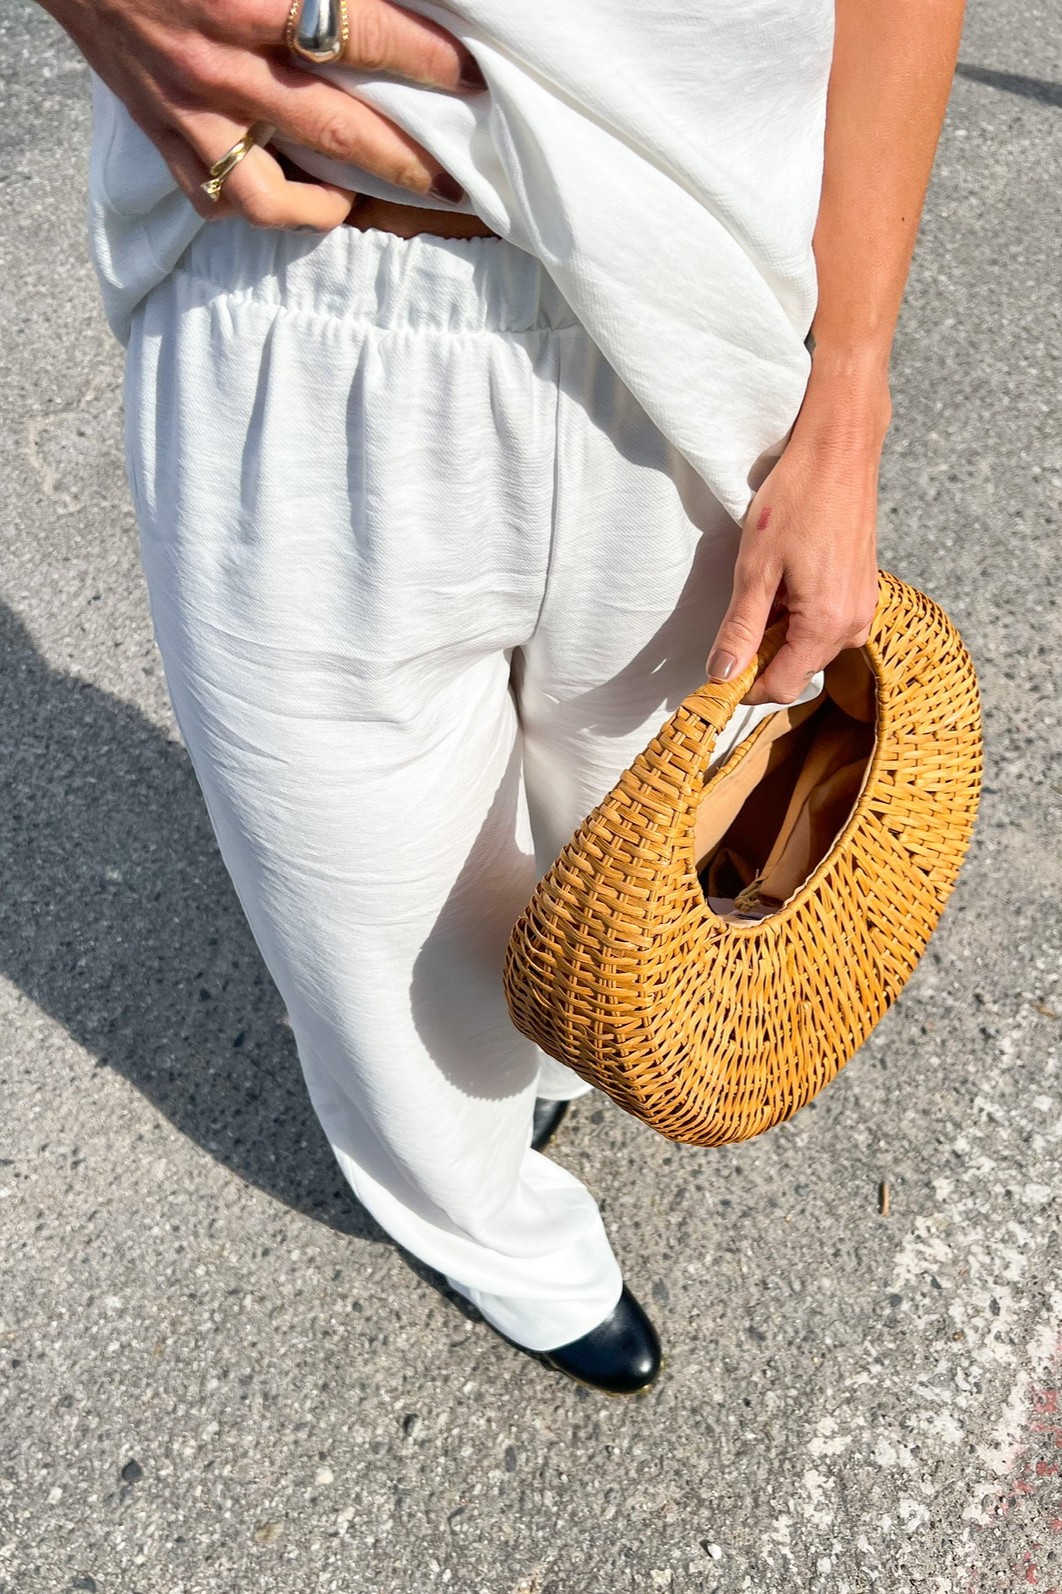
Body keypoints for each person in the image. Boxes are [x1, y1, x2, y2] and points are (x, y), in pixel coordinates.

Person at [40, 0, 966, 1393]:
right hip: (282, 281)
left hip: (700, 312)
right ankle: (489, 1225)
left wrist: (853, 386)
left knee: (644, 855)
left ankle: (550, 1068)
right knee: (368, 940)